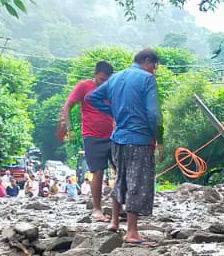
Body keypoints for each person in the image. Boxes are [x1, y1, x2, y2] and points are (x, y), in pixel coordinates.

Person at [86, 48, 161, 245]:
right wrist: (157, 136)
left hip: (117, 138)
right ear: (147, 61)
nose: (154, 70)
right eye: (154, 65)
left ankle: (113, 221)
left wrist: (113, 111)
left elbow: (91, 98)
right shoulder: (146, 79)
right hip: (139, 138)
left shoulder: (116, 78)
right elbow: (152, 113)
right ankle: (132, 232)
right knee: (137, 181)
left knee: (121, 178)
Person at [60, 60, 116, 223]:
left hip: (113, 135)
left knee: (120, 169)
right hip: (92, 136)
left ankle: (119, 207)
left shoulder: (111, 88)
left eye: (106, 81)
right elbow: (68, 105)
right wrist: (68, 127)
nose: (103, 84)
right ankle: (97, 209)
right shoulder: (84, 86)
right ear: (95, 74)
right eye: (101, 80)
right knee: (97, 171)